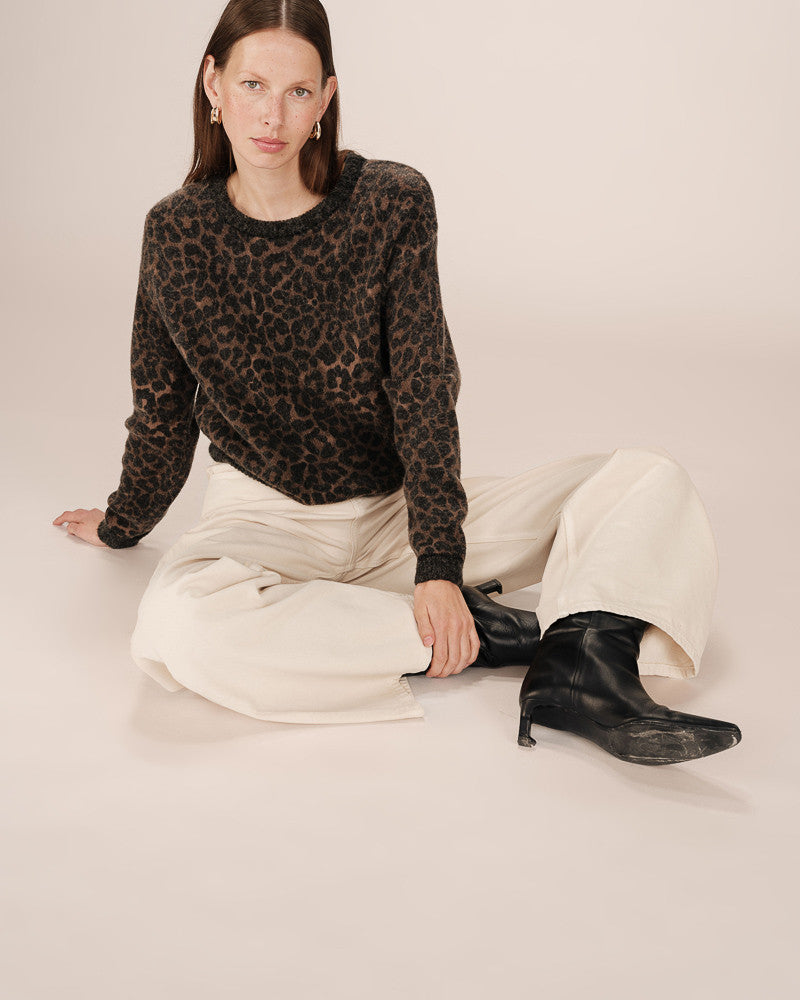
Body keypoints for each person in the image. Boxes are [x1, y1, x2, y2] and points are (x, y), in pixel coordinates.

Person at [52, 0, 741, 765]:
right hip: (264, 523)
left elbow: (423, 387)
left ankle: (582, 669)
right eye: (252, 85)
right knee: (176, 627)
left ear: (327, 96)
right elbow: (162, 410)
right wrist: (121, 523)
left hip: (399, 513)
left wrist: (437, 564)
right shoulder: (176, 233)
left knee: (647, 479)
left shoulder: (390, 202)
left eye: (298, 91)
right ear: (213, 83)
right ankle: (505, 635)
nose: (272, 116)